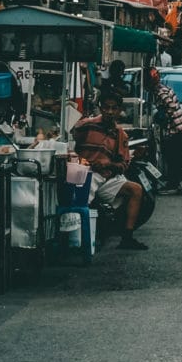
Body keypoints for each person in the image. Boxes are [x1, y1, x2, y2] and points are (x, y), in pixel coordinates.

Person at [73, 91, 147, 250]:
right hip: (85, 173)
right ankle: (79, 239)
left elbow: (123, 164)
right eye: (106, 107)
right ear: (100, 108)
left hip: (106, 178)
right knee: (81, 201)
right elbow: (72, 145)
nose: (110, 112)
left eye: (114, 108)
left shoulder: (121, 135)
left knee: (136, 190)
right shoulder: (86, 125)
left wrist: (108, 164)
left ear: (119, 110)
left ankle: (127, 237)